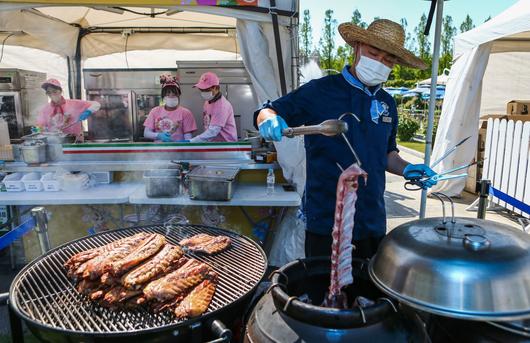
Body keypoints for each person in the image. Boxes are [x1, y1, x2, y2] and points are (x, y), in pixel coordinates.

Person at [255, 19, 439, 259]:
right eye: (374, 53)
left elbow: (387, 155)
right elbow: (268, 110)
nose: (380, 63)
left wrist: (407, 169)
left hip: (371, 220)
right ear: (357, 48)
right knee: (325, 292)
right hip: (326, 219)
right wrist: (267, 118)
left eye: (389, 60)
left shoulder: (387, 103)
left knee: (367, 291)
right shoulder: (320, 90)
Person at [144, 75, 197, 142]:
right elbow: (146, 133)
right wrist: (158, 135)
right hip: (158, 150)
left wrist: (185, 143)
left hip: (178, 151)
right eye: (167, 94)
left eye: (174, 94)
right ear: (163, 96)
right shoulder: (155, 111)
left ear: (178, 95)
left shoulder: (185, 113)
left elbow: (188, 137)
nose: (171, 96)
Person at [188, 72, 237, 143]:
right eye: (201, 90)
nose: (203, 92)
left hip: (226, 146)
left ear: (216, 88)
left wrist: (192, 141)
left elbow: (213, 132)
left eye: (206, 90)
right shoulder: (208, 102)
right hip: (214, 144)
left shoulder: (221, 106)